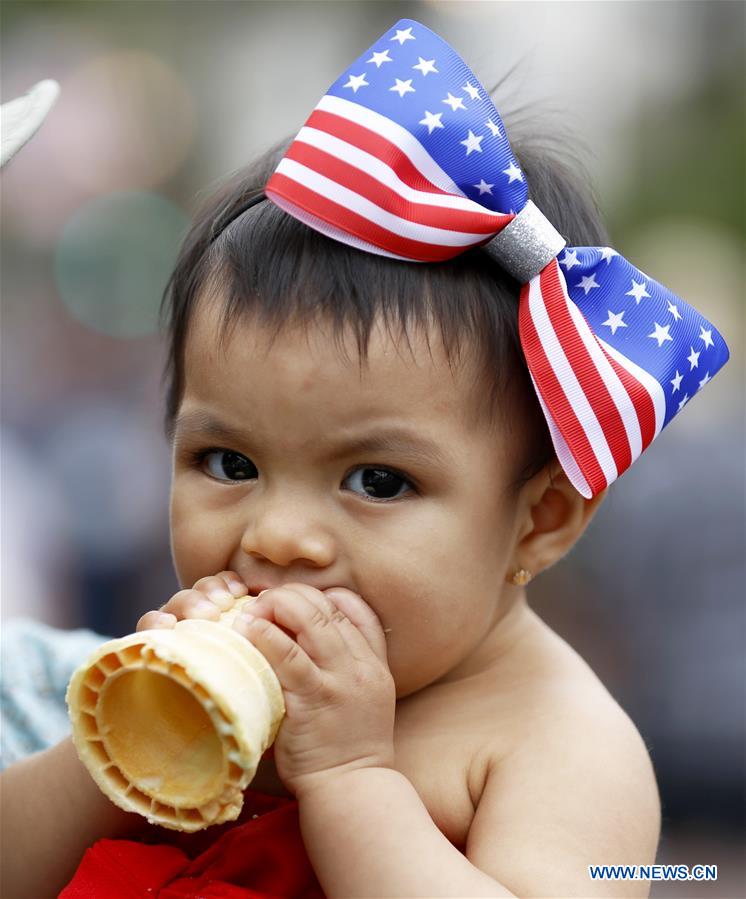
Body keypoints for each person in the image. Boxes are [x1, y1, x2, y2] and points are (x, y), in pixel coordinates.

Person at [1, 18, 729, 899]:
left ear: (539, 517)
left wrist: (353, 781)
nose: (277, 536)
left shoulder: (553, 740)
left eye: (377, 480)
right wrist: (104, 752)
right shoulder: (165, 669)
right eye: (228, 462)